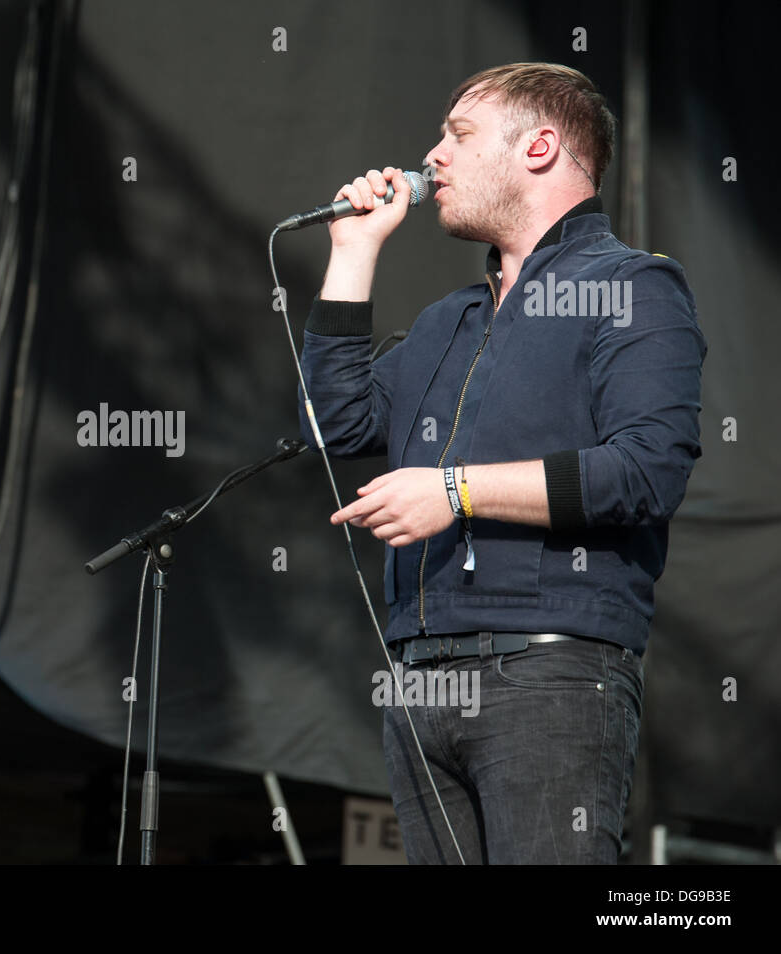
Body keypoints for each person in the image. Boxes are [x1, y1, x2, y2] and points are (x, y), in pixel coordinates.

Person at [297, 63, 707, 864]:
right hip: (421, 680)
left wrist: (456, 491)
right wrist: (352, 252)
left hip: (549, 674)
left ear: (541, 146)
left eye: (457, 135)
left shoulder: (633, 286)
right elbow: (333, 423)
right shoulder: (449, 320)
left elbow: (647, 469)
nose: (432, 158)